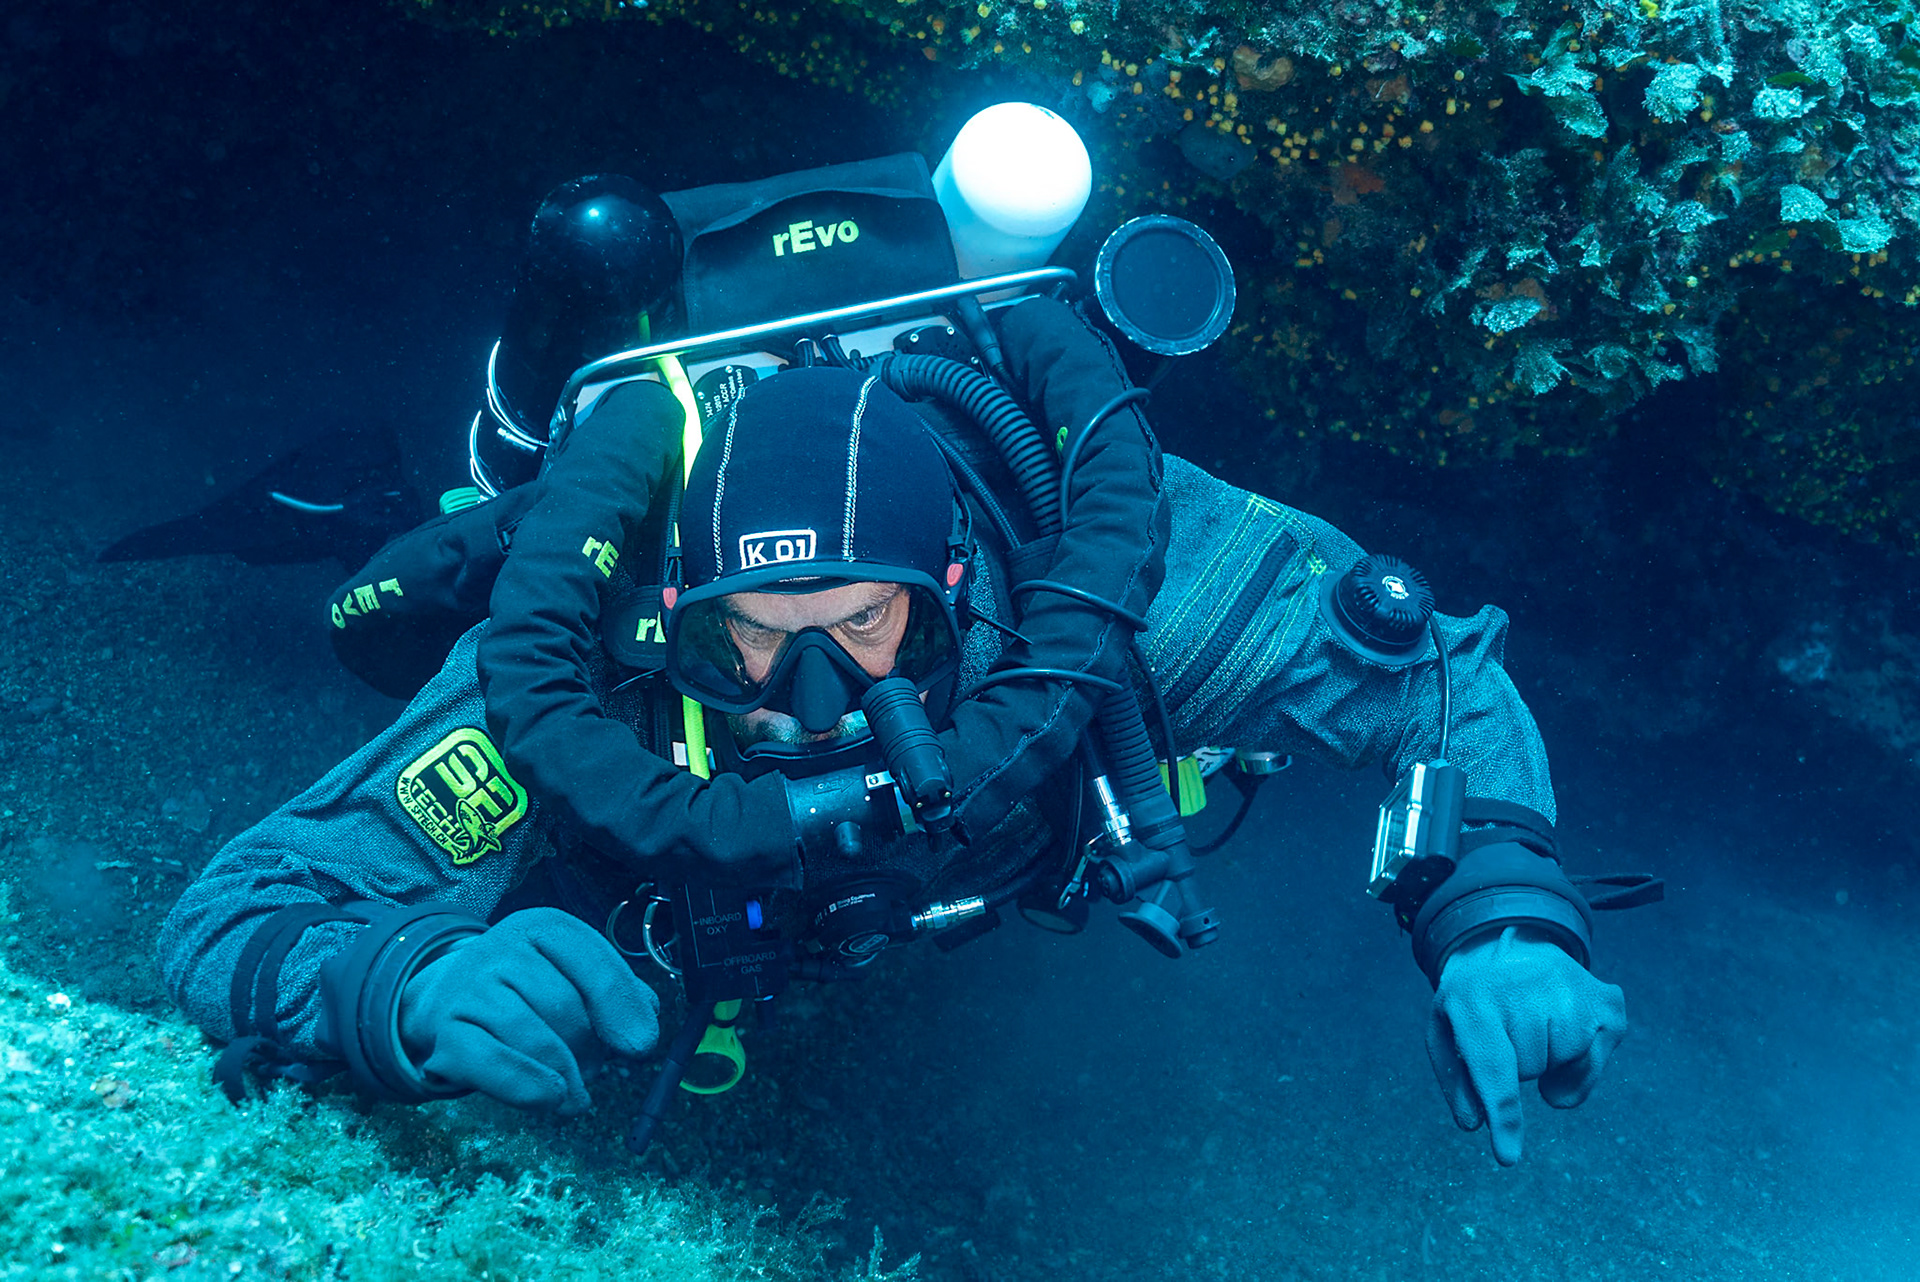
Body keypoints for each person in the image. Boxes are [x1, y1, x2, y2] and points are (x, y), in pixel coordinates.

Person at [159, 199, 1630, 1172]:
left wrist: (1495, 915)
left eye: (863, 622)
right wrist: (405, 985)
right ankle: (346, 498)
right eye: (749, 634)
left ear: (962, 590)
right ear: (673, 606)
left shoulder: (1117, 571)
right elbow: (240, 907)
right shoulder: (577, 674)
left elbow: (1434, 679)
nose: (806, 694)